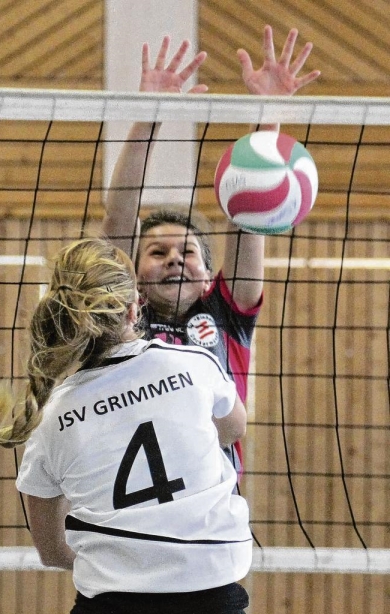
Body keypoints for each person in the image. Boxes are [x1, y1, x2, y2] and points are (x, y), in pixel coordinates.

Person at [0, 236, 265, 614]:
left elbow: (52, 550)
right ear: (135, 309)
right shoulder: (193, 364)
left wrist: (127, 557)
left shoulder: (51, 416)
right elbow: (234, 429)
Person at [102, 25, 320, 476]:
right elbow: (119, 220)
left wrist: (268, 115)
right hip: (128, 504)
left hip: (212, 514)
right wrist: (150, 115)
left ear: (207, 276)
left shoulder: (227, 314)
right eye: (157, 253)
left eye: (187, 253)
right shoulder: (122, 310)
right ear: (136, 274)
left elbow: (250, 211)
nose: (174, 259)